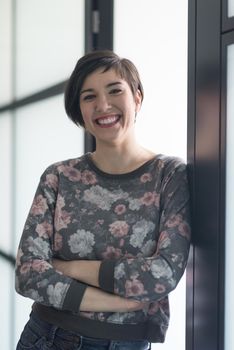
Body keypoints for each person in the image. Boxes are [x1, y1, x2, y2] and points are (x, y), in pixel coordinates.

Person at [15, 50, 191, 350]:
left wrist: (68, 268)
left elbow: (163, 275)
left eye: (115, 91)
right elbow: (28, 273)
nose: (103, 105)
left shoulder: (170, 175)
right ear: (79, 110)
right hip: (48, 337)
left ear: (137, 97)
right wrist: (122, 303)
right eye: (88, 96)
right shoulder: (58, 176)